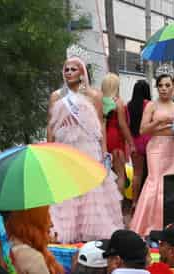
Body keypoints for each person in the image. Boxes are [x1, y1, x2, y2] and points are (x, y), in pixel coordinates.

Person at [47, 57, 123, 243]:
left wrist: (104, 152)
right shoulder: (57, 96)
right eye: (66, 69)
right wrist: (49, 149)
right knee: (67, 188)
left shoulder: (94, 96)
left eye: (74, 69)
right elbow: (50, 126)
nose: (69, 72)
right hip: (64, 147)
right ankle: (64, 230)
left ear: (82, 73)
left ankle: (89, 232)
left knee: (90, 189)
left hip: (87, 147)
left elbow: (100, 125)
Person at [130, 74, 174, 236]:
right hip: (157, 147)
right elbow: (142, 130)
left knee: (170, 184)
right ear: (157, 88)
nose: (164, 89)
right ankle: (145, 225)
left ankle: (166, 224)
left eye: (167, 85)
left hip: (173, 146)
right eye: (161, 86)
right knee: (154, 182)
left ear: (173, 86)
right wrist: (159, 123)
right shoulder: (152, 106)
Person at [102, 73, 135, 194]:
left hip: (103, 139)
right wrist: (131, 143)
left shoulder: (99, 102)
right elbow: (122, 125)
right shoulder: (118, 102)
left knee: (105, 175)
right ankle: (118, 206)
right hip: (116, 139)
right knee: (120, 175)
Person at [5, 206, 64, 274]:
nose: (51, 224)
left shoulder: (6, 247)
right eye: (46, 216)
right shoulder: (33, 257)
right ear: (35, 223)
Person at [127, 80, 152, 210]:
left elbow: (127, 125)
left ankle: (134, 202)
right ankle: (146, 204)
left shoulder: (129, 106)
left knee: (137, 174)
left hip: (134, 142)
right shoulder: (149, 105)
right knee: (150, 175)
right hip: (149, 142)